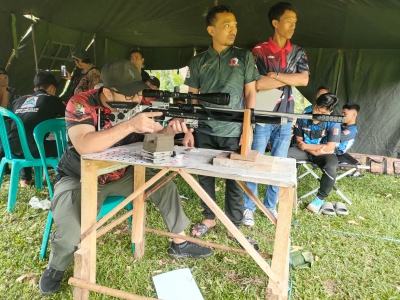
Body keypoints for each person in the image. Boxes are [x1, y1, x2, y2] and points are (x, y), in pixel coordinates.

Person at [38, 59, 213, 296]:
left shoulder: (140, 104)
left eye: (138, 93)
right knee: (71, 233)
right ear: (107, 92)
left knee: (164, 185)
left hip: (121, 172)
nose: (136, 100)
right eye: (129, 96)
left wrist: (169, 131)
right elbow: (85, 146)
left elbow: (151, 139)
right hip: (78, 176)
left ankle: (179, 242)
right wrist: (130, 125)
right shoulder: (80, 103)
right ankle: (56, 268)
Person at [182, 5, 260, 246]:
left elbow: (251, 95)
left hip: (234, 129)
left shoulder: (245, 57)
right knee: (205, 176)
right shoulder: (197, 61)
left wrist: (248, 130)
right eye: (226, 25)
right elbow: (191, 98)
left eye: (235, 24)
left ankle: (233, 225)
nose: (233, 29)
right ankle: (209, 218)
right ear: (211, 29)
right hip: (204, 129)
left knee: (234, 179)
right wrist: (189, 129)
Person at [243, 1, 309, 226]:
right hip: (263, 113)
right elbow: (257, 83)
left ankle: (270, 206)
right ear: (275, 23)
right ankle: (248, 207)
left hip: (286, 116)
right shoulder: (259, 50)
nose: (293, 25)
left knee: (279, 163)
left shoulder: (298, 51)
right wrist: (284, 77)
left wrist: (277, 76)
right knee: (256, 161)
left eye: (295, 22)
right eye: (289, 20)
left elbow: (304, 79)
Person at [0, 71, 65, 186]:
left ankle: (25, 179)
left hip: (10, 149)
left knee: (24, 137)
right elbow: (71, 115)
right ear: (51, 88)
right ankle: (68, 179)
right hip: (34, 149)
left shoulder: (19, 101)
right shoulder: (52, 100)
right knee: (68, 146)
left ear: (35, 87)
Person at [287, 93, 340, 213]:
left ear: (330, 113)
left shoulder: (334, 121)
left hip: (324, 154)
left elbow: (330, 147)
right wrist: (313, 150)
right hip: (305, 151)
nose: (318, 115)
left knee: (331, 166)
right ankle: (283, 192)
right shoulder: (304, 116)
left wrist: (307, 146)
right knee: (284, 156)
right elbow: (299, 141)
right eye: (317, 110)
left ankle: (319, 200)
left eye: (324, 113)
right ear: (314, 104)